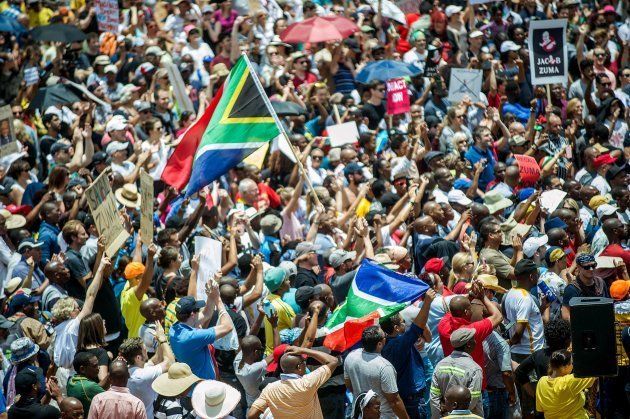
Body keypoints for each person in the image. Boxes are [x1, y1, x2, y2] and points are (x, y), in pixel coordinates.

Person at [169, 277, 234, 380]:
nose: (199, 311)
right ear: (192, 314)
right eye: (197, 310)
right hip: (203, 386)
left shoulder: (175, 328)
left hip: (193, 383)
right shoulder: (193, 337)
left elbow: (206, 314)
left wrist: (211, 296)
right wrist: (218, 299)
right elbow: (228, 326)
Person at [247, 345, 339, 418]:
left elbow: (251, 415)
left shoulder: (269, 389)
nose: (305, 365)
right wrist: (303, 350)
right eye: (304, 362)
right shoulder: (308, 382)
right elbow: (333, 361)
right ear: (299, 367)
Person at [344, 326, 409, 419]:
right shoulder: (385, 367)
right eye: (384, 336)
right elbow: (394, 401)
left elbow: (349, 386)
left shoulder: (351, 356)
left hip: (360, 415)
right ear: (379, 344)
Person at [430, 328, 484, 417]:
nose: (476, 342)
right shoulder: (475, 369)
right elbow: (472, 400)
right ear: (468, 345)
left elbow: (434, 398)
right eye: (473, 340)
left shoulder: (440, 365)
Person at [535, 350, 597, 418]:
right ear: (565, 367)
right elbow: (595, 371)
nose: (573, 366)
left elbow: (540, 408)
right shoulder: (569, 381)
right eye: (572, 363)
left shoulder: (542, 381)